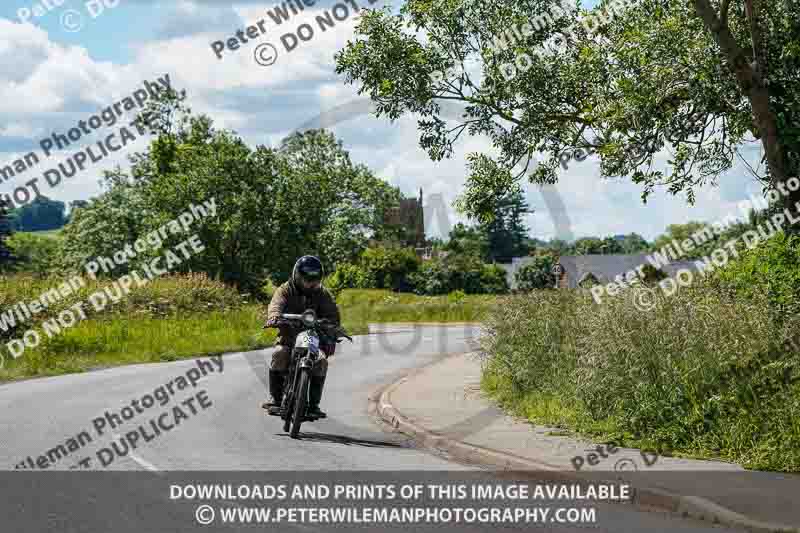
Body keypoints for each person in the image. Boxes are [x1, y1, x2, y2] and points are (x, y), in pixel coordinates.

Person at [262, 255, 340, 418]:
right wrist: (274, 316)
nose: (310, 283)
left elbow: (332, 313)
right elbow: (276, 304)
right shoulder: (286, 289)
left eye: (314, 280)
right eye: (306, 279)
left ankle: (313, 405)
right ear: (297, 276)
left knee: (321, 361)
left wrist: (334, 327)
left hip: (314, 340)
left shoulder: (322, 293)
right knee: (279, 354)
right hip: (289, 338)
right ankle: (275, 399)